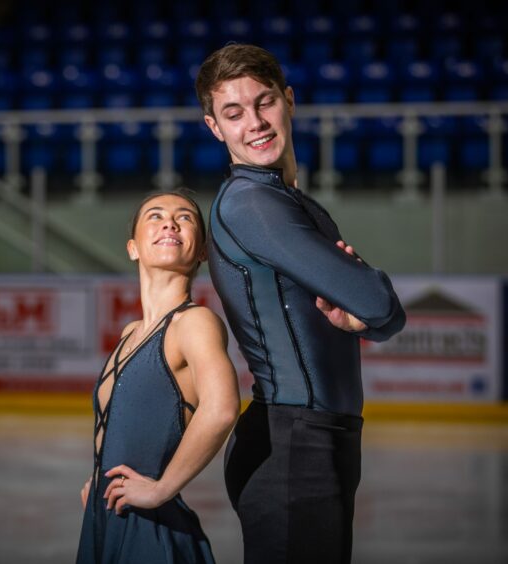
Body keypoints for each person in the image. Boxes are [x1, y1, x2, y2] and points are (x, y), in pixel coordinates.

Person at [195, 44, 407, 563]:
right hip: (292, 449)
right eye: (233, 113)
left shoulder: (279, 197)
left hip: (312, 441)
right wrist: (371, 306)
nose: (255, 123)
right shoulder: (253, 204)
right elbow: (379, 303)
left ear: (288, 100)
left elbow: (375, 316)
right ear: (213, 127)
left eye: (264, 102)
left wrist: (371, 315)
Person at [76, 191, 241, 564]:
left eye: (185, 218)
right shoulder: (129, 334)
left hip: (153, 529)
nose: (169, 222)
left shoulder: (194, 323)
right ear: (133, 248)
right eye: (155, 215)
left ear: (201, 251)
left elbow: (222, 409)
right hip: (107, 518)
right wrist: (98, 478)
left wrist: (162, 489)